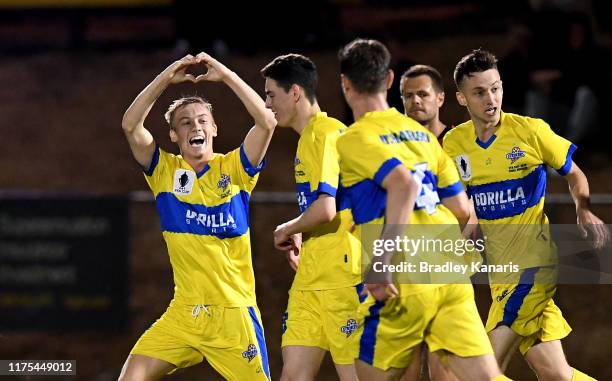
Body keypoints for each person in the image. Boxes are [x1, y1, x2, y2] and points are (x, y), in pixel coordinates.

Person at [336, 38, 509, 381]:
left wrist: (381, 263)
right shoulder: (423, 138)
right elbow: (461, 208)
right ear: (389, 81)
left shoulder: (354, 138)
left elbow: (404, 185)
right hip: (449, 275)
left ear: (345, 84)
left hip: (406, 278)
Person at [443, 48, 609, 381]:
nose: (491, 98)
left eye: (496, 88)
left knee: (481, 371)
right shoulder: (453, 144)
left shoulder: (529, 131)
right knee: (557, 374)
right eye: (479, 92)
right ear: (462, 99)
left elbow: (574, 173)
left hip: (533, 268)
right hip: (500, 275)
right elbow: (461, 201)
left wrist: (583, 207)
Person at [118, 53, 276, 380]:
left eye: (203, 120)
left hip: (233, 317)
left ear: (214, 128)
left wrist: (228, 75)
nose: (196, 126)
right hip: (184, 314)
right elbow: (130, 124)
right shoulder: (164, 172)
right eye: (186, 123)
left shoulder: (234, 169)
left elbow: (267, 122)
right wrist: (165, 77)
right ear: (174, 136)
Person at [261, 53, 362, 381]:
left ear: (295, 92)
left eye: (271, 95)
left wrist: (287, 228)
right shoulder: (309, 138)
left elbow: (326, 209)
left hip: (342, 280)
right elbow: (325, 206)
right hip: (310, 279)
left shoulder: (325, 133)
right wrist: (303, 232)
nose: (267, 104)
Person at [399, 64, 460, 381]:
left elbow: (468, 206)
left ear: (440, 98)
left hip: (443, 264)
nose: (415, 101)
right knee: (405, 364)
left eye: (422, 94)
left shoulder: (457, 142)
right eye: (407, 96)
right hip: (403, 264)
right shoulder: (393, 147)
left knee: (442, 366)